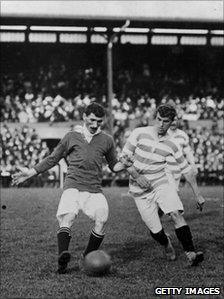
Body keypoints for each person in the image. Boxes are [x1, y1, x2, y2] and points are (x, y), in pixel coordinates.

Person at [12, 102, 124, 274]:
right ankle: (62, 259)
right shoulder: (71, 136)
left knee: (102, 218)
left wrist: (125, 165)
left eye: (99, 122)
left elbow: (114, 165)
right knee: (68, 217)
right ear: (85, 117)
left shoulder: (107, 140)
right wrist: (30, 172)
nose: (95, 125)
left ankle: (87, 257)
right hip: (72, 185)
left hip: (94, 188)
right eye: (92, 120)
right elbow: (53, 158)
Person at [114, 104, 205, 266]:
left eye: (166, 121)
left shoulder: (173, 144)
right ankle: (166, 243)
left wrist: (197, 194)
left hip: (160, 182)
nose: (161, 124)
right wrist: (137, 176)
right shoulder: (139, 133)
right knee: (156, 232)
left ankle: (191, 253)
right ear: (155, 118)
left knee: (176, 213)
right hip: (139, 189)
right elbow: (123, 158)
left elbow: (187, 170)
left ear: (172, 122)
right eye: (159, 120)